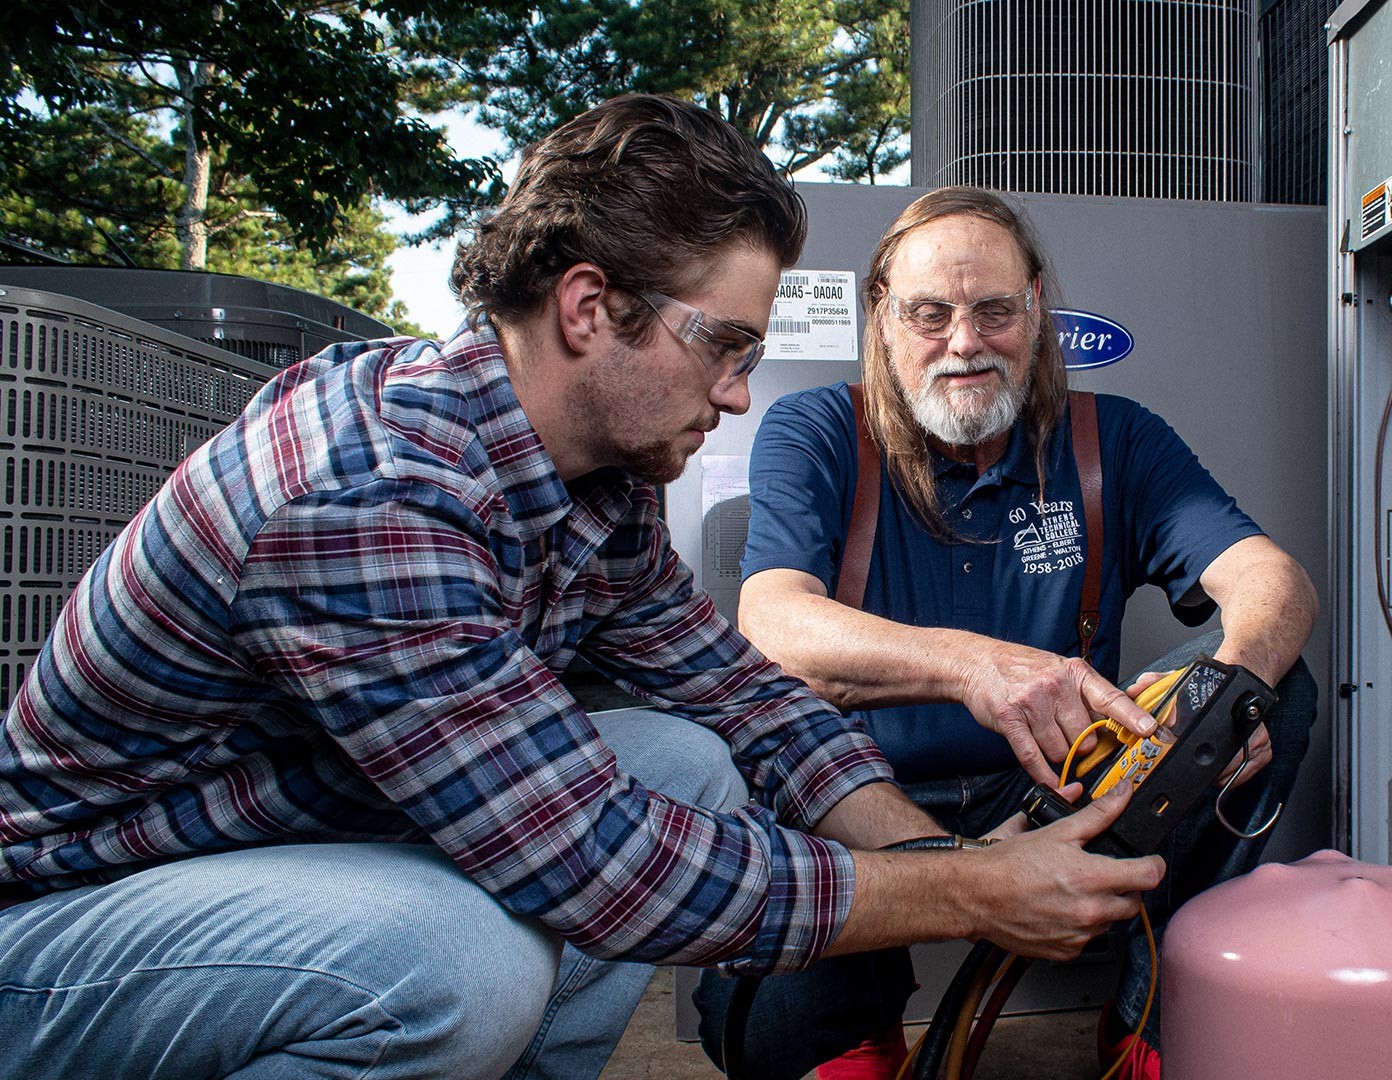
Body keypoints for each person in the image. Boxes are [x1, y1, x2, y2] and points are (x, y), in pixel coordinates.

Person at [0, 99, 1162, 1080]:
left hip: (268, 859)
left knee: (689, 760)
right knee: (456, 962)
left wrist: (953, 866)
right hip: (71, 926)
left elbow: (743, 701)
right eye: (726, 347)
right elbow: (608, 869)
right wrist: (976, 898)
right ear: (590, 307)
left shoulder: (587, 485)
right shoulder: (377, 493)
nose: (740, 394)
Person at [700, 186, 1319, 1080]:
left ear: (1034, 308)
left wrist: (1234, 683)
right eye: (929, 314)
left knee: (1268, 692)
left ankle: (1150, 1019)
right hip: (854, 798)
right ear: (882, 314)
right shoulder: (817, 430)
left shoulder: (1117, 442)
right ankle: (852, 1028)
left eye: (993, 310)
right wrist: (975, 666)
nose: (964, 343)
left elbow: (1273, 580)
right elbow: (772, 621)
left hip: (1063, 791)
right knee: (768, 1034)